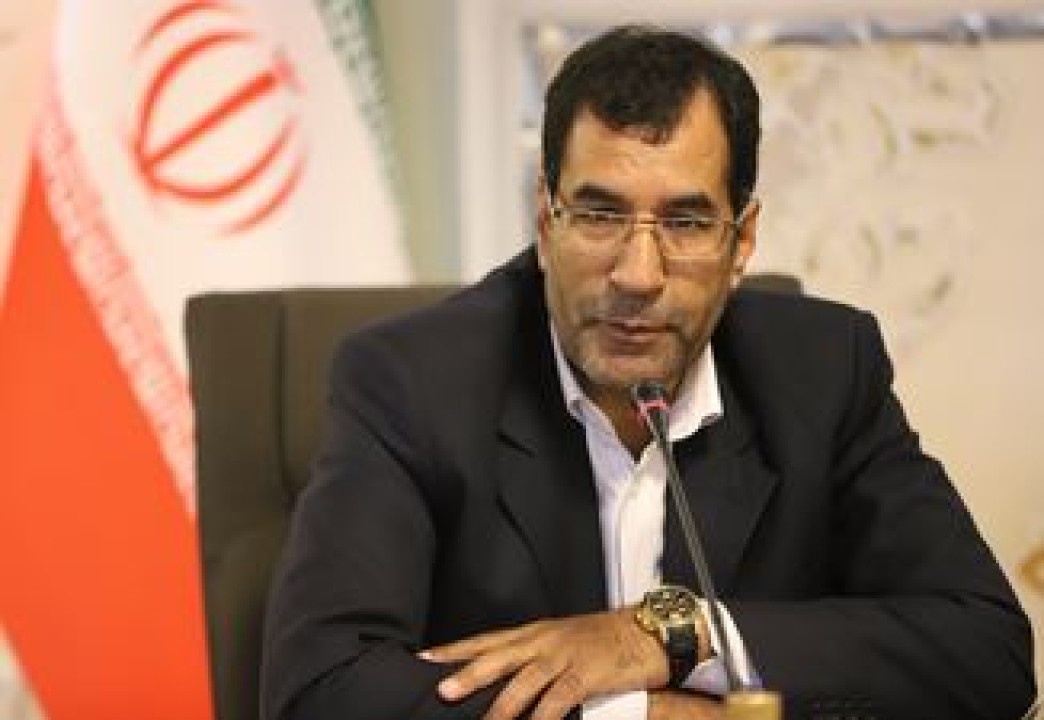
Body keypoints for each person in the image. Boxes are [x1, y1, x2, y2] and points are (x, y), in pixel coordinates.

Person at [261, 25, 1035, 720]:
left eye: (686, 222)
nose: (637, 274)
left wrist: (674, 636)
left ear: (741, 241)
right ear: (545, 221)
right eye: (600, 215)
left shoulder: (824, 371)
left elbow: (987, 652)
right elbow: (318, 689)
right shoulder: (411, 381)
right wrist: (636, 715)